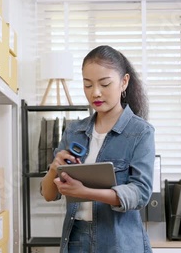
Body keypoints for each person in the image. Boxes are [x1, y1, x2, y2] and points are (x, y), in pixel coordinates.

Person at [40, 45, 155, 253]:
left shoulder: (141, 132)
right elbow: (49, 195)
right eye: (87, 85)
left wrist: (86, 192)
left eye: (104, 84)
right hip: (76, 241)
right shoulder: (74, 131)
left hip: (120, 242)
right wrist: (53, 168)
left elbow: (140, 193)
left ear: (124, 82)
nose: (96, 93)